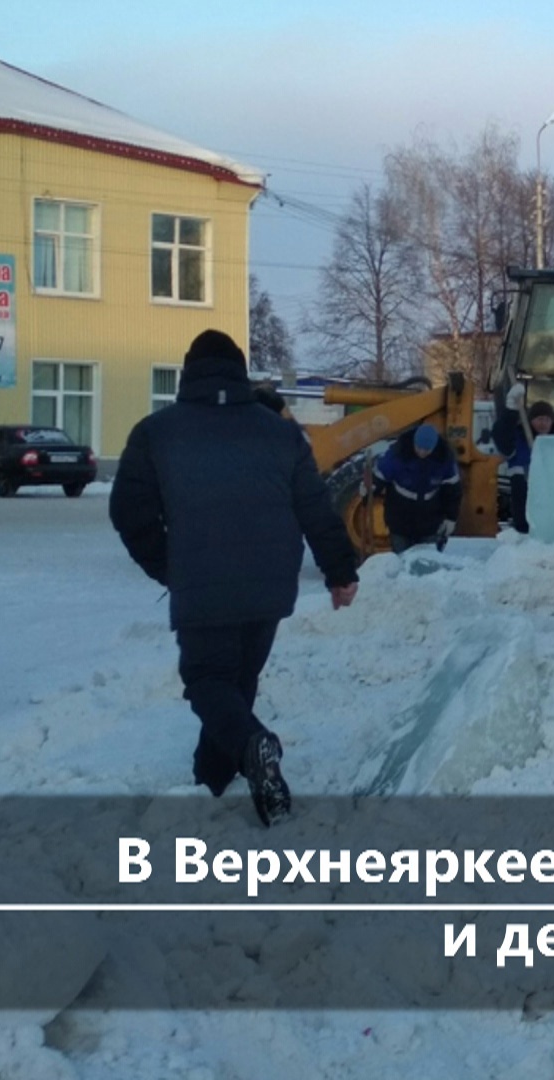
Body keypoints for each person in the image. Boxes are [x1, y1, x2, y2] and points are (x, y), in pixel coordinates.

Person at [109, 330, 359, 827]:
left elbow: (129, 512)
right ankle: (212, 779)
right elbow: (316, 506)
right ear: (241, 373)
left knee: (208, 680)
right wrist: (340, 570)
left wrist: (169, 565)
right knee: (238, 681)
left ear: (188, 372)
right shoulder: (280, 432)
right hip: (271, 583)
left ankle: (253, 746)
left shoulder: (156, 432)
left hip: (202, 579)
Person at [371, 423, 461, 553]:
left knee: (426, 562)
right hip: (399, 519)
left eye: (427, 450)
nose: (422, 452)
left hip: (430, 521)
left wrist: (451, 518)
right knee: (401, 560)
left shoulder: (444, 459)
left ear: (434, 448)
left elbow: (453, 491)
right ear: (413, 442)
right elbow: (379, 477)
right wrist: (369, 490)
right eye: (419, 448)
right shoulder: (398, 455)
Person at [491, 380, 554, 534]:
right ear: (531, 421)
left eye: (547, 419)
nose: (543, 423)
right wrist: (510, 410)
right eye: (539, 419)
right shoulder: (518, 438)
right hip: (523, 502)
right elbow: (500, 436)